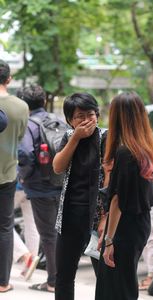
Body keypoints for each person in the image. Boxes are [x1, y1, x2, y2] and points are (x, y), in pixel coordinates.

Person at [95, 91, 153, 300]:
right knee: (122, 283)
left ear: (117, 117)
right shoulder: (146, 147)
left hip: (124, 228)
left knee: (116, 288)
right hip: (138, 224)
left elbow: (117, 200)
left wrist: (108, 239)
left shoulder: (126, 153)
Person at [53, 92, 106, 300]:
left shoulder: (106, 137)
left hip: (97, 219)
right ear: (69, 120)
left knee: (104, 276)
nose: (85, 120)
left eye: (90, 114)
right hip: (70, 216)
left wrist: (105, 217)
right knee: (64, 275)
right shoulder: (68, 137)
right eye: (79, 116)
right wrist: (75, 137)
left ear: (98, 115)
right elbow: (57, 167)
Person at [17, 85, 61, 293]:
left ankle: (53, 281)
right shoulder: (57, 121)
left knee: (48, 234)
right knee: (60, 232)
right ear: (43, 101)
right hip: (61, 183)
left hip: (40, 186)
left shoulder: (29, 125)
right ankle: (61, 276)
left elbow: (24, 155)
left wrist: (24, 177)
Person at [0, 59, 29, 293]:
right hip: (7, 173)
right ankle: (3, 282)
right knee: (4, 227)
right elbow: (19, 139)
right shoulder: (21, 107)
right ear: (9, 79)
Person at [13, 181, 40, 281]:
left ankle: (25, 255)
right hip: (32, 185)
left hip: (14, 184)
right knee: (32, 224)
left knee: (3, 224)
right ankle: (29, 265)